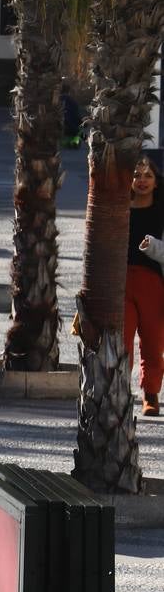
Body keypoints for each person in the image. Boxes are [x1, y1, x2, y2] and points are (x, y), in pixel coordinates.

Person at [127, 156, 164, 416]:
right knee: (121, 341)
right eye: (137, 175)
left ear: (156, 181)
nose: (142, 180)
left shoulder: (162, 210)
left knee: (152, 342)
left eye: (148, 175)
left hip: (153, 283)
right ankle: (118, 392)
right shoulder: (117, 207)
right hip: (120, 282)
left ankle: (151, 395)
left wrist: (152, 248)